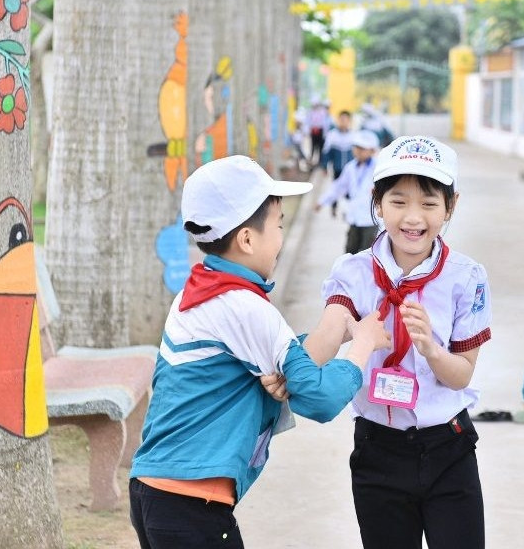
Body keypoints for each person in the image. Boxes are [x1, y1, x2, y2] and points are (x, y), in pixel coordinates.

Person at [129, 155, 390, 549]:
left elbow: (279, 356)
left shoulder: (198, 291)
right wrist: (364, 347)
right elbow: (318, 399)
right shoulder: (246, 307)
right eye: (279, 225)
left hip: (154, 492)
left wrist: (334, 335)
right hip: (191, 505)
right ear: (248, 240)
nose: (281, 237)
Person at [304, 135, 493, 549]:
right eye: (398, 201)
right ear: (377, 202)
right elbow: (325, 338)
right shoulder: (352, 273)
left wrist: (430, 348)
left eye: (428, 204)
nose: (412, 217)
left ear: (450, 207)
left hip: (449, 447)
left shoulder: (466, 278)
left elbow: (461, 376)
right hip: (378, 451)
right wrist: (288, 370)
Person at [313, 130, 381, 254]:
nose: (358, 150)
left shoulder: (379, 168)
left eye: (362, 148)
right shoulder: (350, 168)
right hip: (355, 219)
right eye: (356, 147)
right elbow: (338, 187)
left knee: (368, 254)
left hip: (371, 221)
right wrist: (322, 202)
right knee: (350, 252)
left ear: (372, 150)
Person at [306, 97, 329, 165]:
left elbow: (325, 123)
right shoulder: (310, 112)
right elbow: (308, 121)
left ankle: (320, 161)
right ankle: (311, 160)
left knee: (320, 146)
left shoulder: (322, 112)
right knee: (313, 146)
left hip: (320, 131)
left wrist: (325, 132)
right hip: (313, 131)